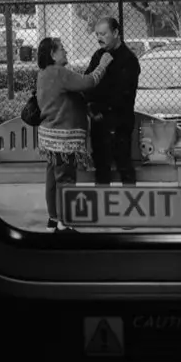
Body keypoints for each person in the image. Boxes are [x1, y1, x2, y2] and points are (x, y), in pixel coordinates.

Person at [36, 37, 113, 232]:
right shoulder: (60, 73)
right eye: (62, 49)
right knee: (66, 181)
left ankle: (53, 221)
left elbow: (66, 100)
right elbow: (89, 82)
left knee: (52, 179)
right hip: (63, 140)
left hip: (49, 138)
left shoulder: (44, 74)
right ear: (53, 55)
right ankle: (66, 223)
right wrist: (103, 65)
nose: (66, 51)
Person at [83, 18, 143, 186]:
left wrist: (100, 108)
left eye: (103, 34)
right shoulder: (98, 55)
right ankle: (102, 207)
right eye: (97, 34)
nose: (99, 38)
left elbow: (123, 95)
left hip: (119, 122)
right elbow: (88, 83)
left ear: (116, 33)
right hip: (98, 121)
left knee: (124, 165)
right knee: (101, 167)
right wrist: (90, 108)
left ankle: (129, 203)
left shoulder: (129, 60)